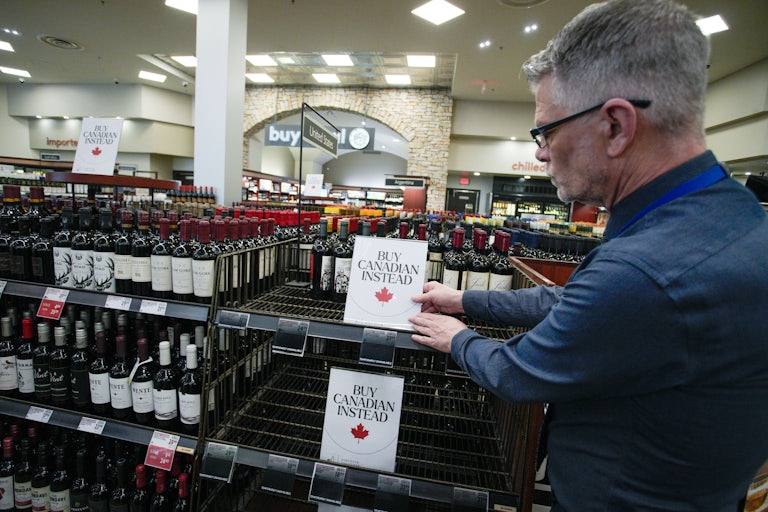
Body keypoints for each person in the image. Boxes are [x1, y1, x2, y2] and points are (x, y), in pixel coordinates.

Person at [409, 0, 768, 510]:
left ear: (616, 126)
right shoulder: (730, 216)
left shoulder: (646, 271)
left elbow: (519, 372)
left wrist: (457, 338)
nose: (540, 152)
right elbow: (573, 303)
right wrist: (466, 300)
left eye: (547, 130)